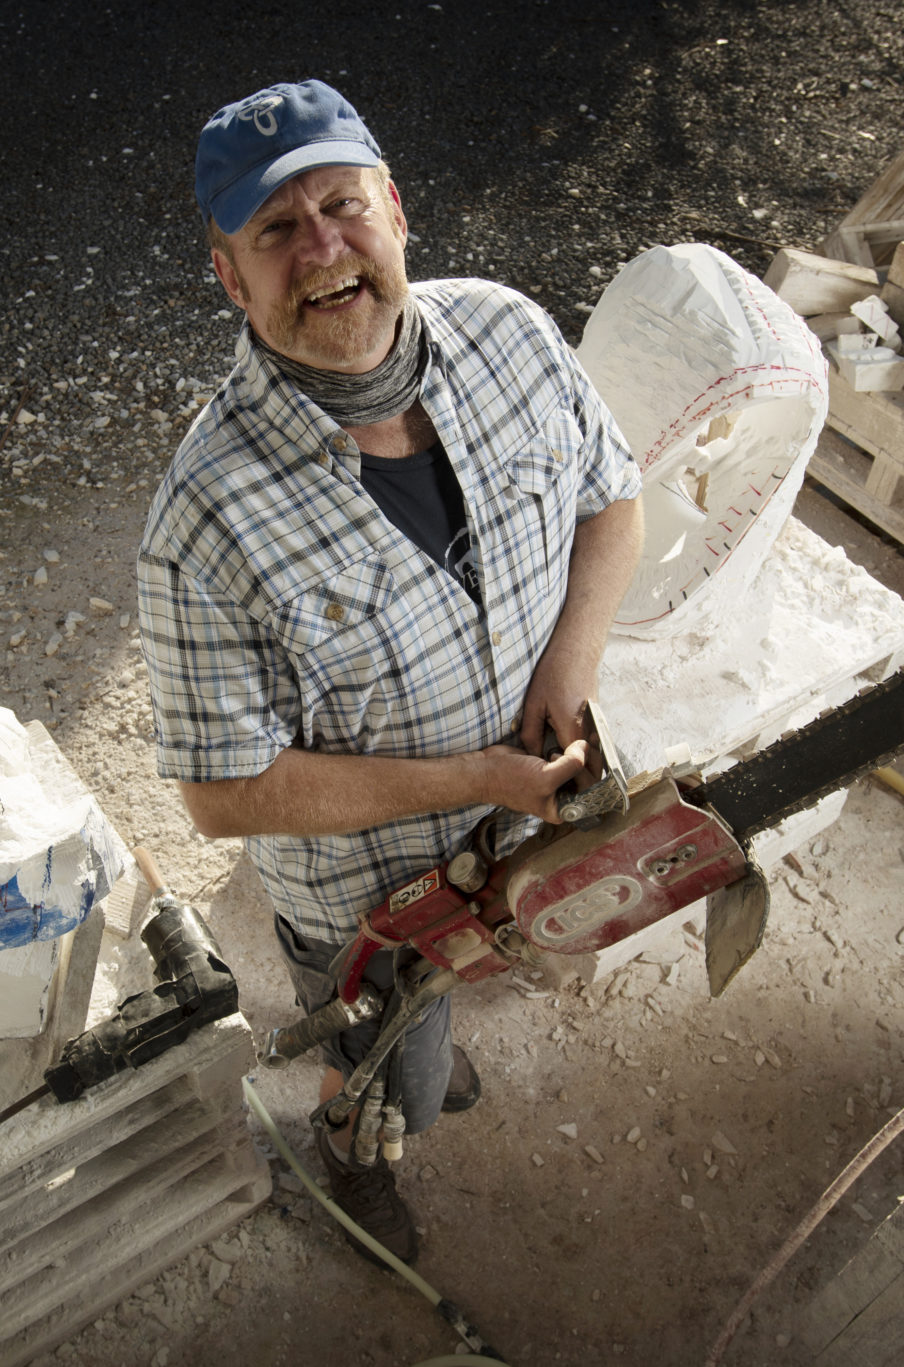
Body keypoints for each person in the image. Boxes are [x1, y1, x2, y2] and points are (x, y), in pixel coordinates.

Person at [136, 79, 642, 1266]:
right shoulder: (205, 519)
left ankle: (418, 1050)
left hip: (518, 828)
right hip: (370, 897)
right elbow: (225, 797)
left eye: (341, 205)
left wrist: (563, 675)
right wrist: (474, 772)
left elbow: (610, 497)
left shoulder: (512, 338)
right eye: (275, 230)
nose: (322, 248)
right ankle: (353, 1151)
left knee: (459, 994)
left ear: (396, 212)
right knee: (390, 1073)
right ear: (230, 275)